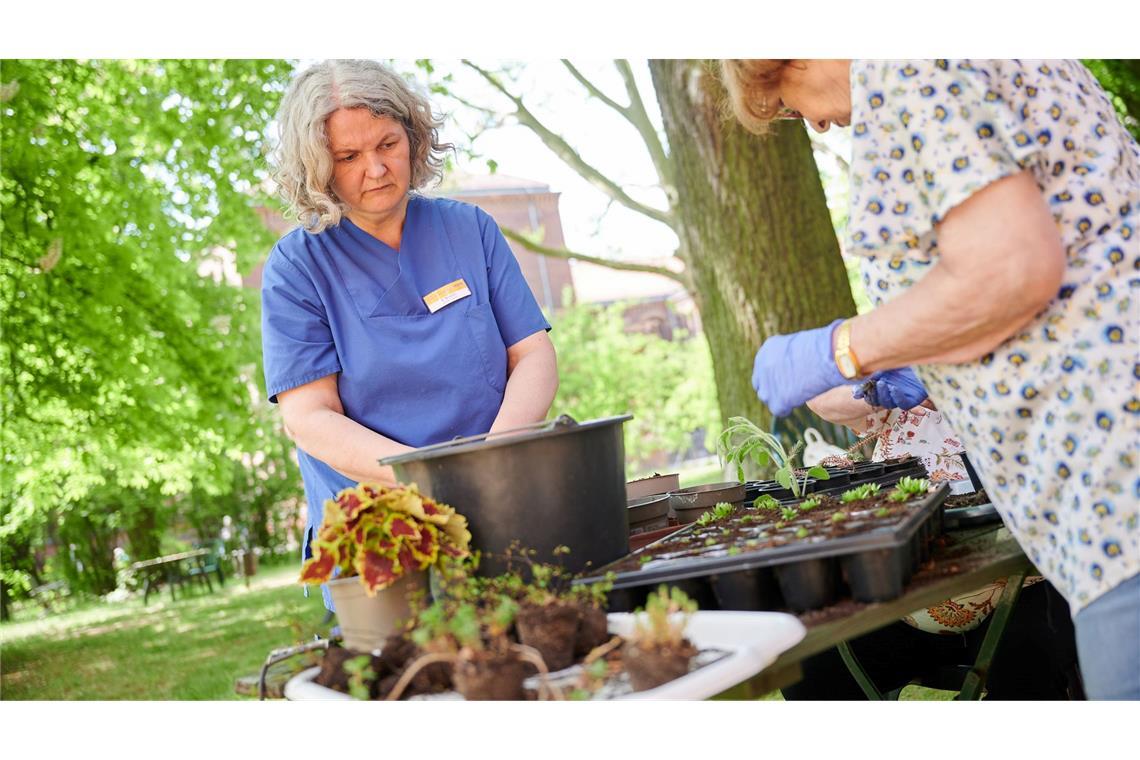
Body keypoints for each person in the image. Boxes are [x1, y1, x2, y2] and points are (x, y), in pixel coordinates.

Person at [721, 59, 1138, 699]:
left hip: (1116, 477)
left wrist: (843, 348)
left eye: (789, 102)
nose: (819, 123)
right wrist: (912, 362)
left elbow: (1010, 269)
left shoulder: (906, 62)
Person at [261, 60, 558, 609]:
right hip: (384, 541)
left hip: (502, 506)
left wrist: (488, 466)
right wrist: (431, 483)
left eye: (388, 144)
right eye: (348, 157)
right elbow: (310, 417)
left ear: (414, 138)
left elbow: (533, 355)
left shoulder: (470, 230)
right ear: (317, 166)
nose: (375, 168)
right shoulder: (296, 268)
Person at [791, 369, 1084, 699]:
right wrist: (880, 388)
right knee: (812, 660)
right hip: (903, 604)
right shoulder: (898, 374)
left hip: (1020, 588)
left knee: (1027, 663)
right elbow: (821, 396)